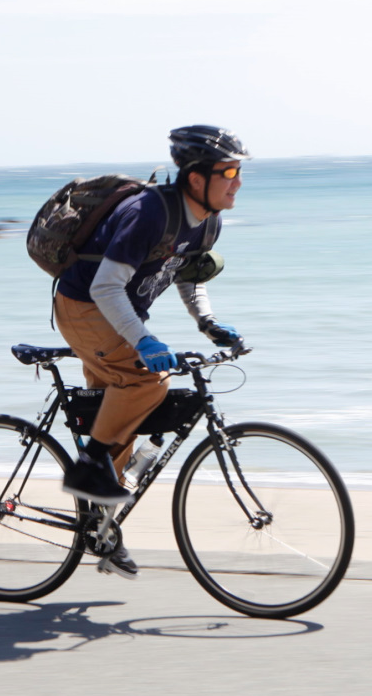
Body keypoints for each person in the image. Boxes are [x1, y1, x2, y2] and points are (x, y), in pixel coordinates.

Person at [54, 124, 249, 578]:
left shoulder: (208, 222)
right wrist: (143, 339)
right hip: (83, 308)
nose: (238, 181)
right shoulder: (148, 213)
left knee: (118, 417)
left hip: (114, 313)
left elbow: (187, 275)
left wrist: (208, 323)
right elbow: (105, 285)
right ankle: (87, 471)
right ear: (197, 178)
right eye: (230, 171)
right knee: (147, 380)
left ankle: (100, 530)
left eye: (239, 171)